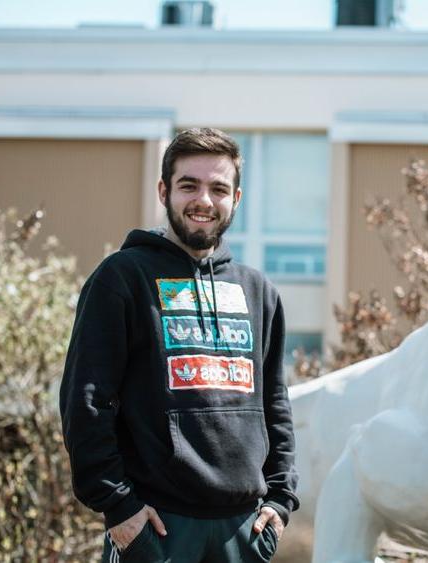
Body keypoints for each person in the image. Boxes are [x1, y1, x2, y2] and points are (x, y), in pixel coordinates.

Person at [60, 127, 298, 562]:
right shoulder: (122, 278)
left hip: (244, 528)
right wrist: (119, 507)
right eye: (189, 185)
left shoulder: (258, 291)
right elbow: (87, 400)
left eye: (218, 188)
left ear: (236, 199)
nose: (204, 200)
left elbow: (275, 405)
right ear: (164, 190)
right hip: (157, 526)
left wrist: (280, 500)